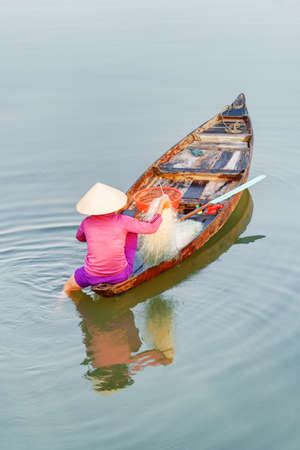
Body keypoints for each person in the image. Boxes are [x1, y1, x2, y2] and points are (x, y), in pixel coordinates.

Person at [64, 182, 169, 296]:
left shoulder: (87, 222)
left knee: (67, 287)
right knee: (131, 231)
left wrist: (95, 237)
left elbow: (80, 238)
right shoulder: (124, 220)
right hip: (120, 275)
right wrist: (160, 205)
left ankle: (58, 304)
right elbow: (152, 228)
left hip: (91, 275)